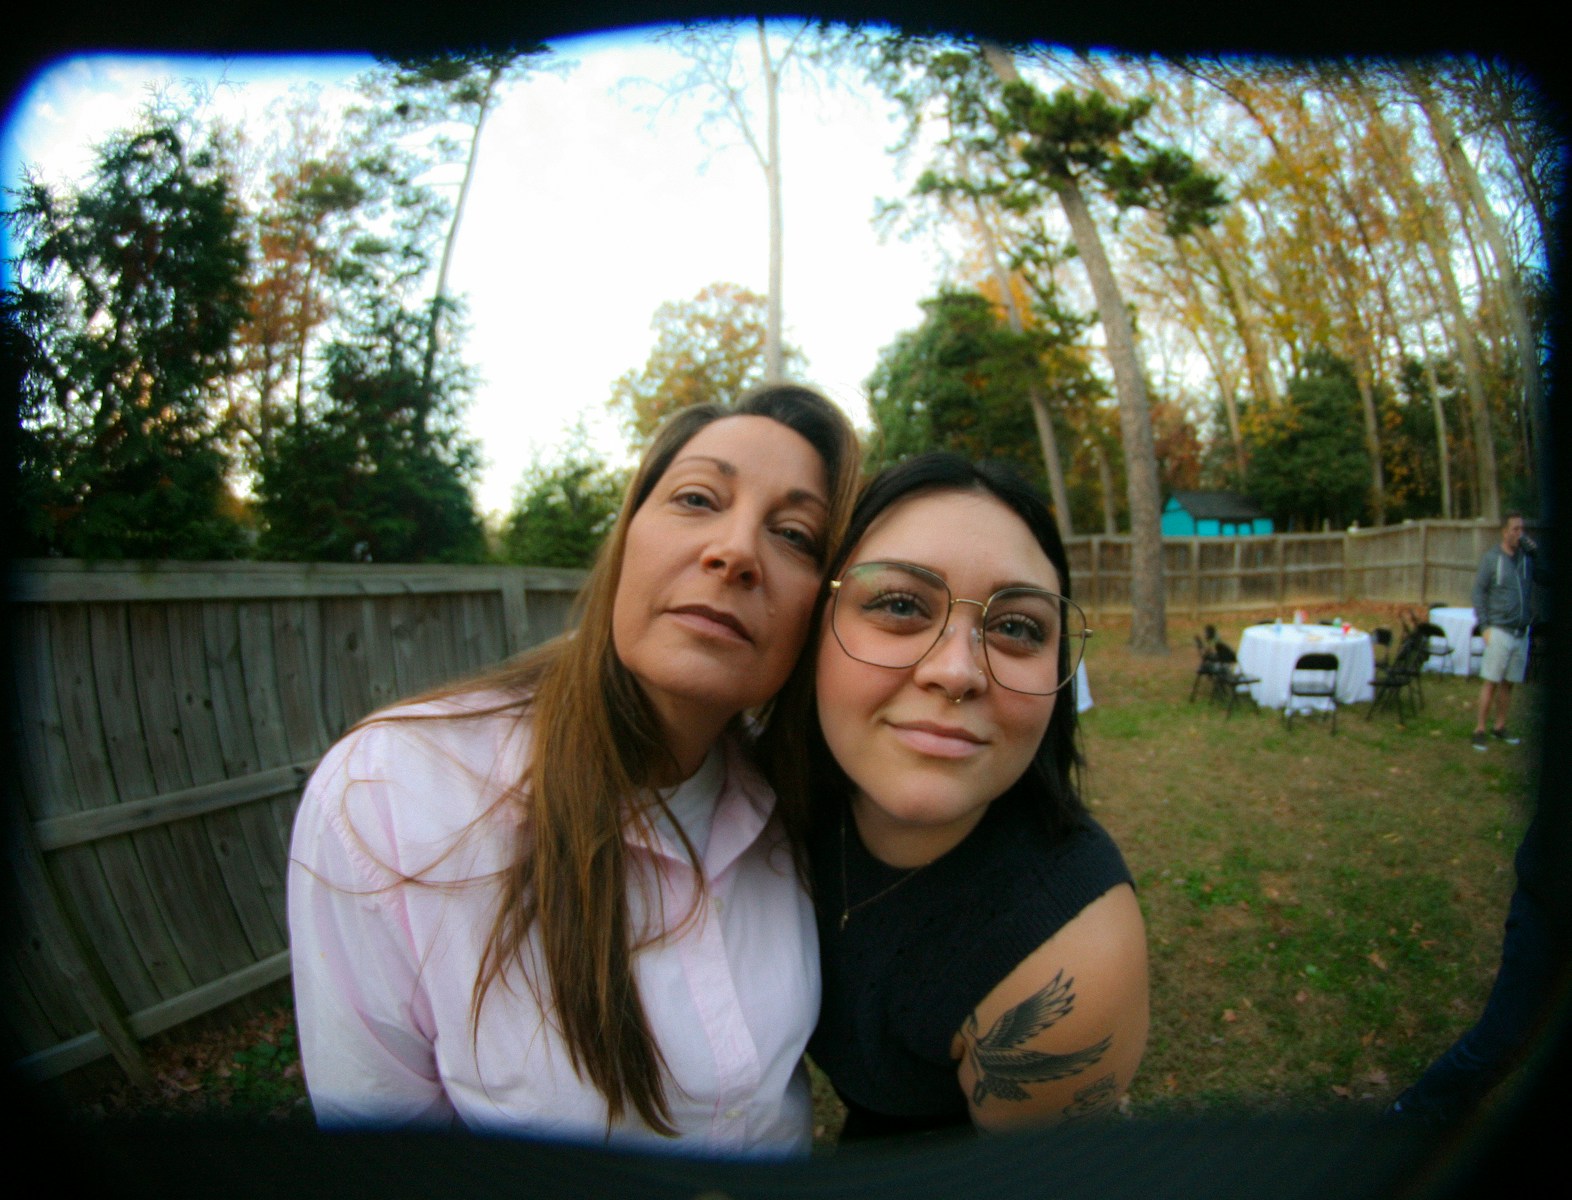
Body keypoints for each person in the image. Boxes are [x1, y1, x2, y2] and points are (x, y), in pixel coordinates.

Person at [287, 384, 861, 1153]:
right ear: (626, 539)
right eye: (697, 498)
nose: (735, 552)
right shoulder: (391, 793)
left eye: (794, 535)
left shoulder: (805, 809)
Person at [801, 454, 1149, 1139]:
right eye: (900, 605)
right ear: (816, 627)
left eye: (1017, 627)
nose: (956, 671)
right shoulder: (765, 799)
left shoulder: (1067, 963)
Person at [1470, 512, 1538, 749]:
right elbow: (1478, 592)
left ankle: (1499, 726)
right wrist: (1485, 626)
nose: (1519, 534)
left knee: (1509, 683)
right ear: (1504, 531)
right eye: (1515, 529)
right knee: (1491, 681)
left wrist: (1536, 556)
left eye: (1522, 529)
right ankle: (1479, 729)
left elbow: (1547, 579)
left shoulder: (1526, 559)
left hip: (1521, 632)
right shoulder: (1493, 559)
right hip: (1499, 629)